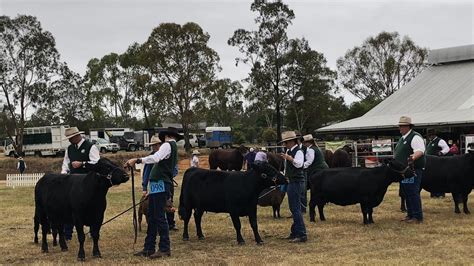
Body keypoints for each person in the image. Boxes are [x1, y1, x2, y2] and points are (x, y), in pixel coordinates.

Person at [126, 127, 182, 259]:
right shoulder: (171, 146)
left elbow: (156, 158)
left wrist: (138, 160)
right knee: (153, 215)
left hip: (160, 183)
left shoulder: (167, 145)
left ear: (167, 136)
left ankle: (164, 248)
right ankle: (149, 247)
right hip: (158, 183)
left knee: (158, 216)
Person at [61, 127, 100, 240]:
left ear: (77, 136)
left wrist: (82, 164)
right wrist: (64, 174)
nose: (69, 140)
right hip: (73, 183)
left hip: (88, 183)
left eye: (71, 138)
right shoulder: (69, 149)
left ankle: (94, 233)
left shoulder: (90, 147)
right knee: (70, 208)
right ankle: (67, 234)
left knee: (91, 208)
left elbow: (96, 163)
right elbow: (66, 162)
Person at [395, 116, 425, 224]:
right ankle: (410, 214)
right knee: (407, 192)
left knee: (412, 192)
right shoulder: (403, 138)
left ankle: (417, 216)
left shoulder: (415, 137)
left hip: (413, 170)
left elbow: (420, 150)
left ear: (408, 126)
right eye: (400, 126)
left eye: (402, 126)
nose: (400, 128)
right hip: (404, 171)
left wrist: (412, 158)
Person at [280, 131, 307, 243]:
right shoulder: (290, 151)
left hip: (296, 182)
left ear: (291, 141)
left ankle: (301, 234)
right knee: (294, 208)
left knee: (295, 209)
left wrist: (290, 158)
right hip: (292, 181)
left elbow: (299, 164)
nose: (284, 145)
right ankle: (295, 232)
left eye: (286, 142)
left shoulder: (298, 151)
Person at [302, 134, 329, 209]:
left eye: (304, 142)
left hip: (318, 170)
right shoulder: (316, 148)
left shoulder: (311, 150)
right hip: (323, 169)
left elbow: (309, 161)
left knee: (315, 189)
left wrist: (301, 166)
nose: (304, 144)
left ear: (308, 142)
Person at [425, 129, 449, 198]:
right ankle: (433, 193)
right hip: (430, 163)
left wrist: (441, 153)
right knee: (432, 179)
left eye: (430, 135)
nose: (429, 137)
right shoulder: (430, 142)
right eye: (428, 136)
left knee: (438, 178)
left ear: (434, 135)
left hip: (437, 163)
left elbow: (447, 148)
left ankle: (440, 194)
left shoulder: (440, 141)